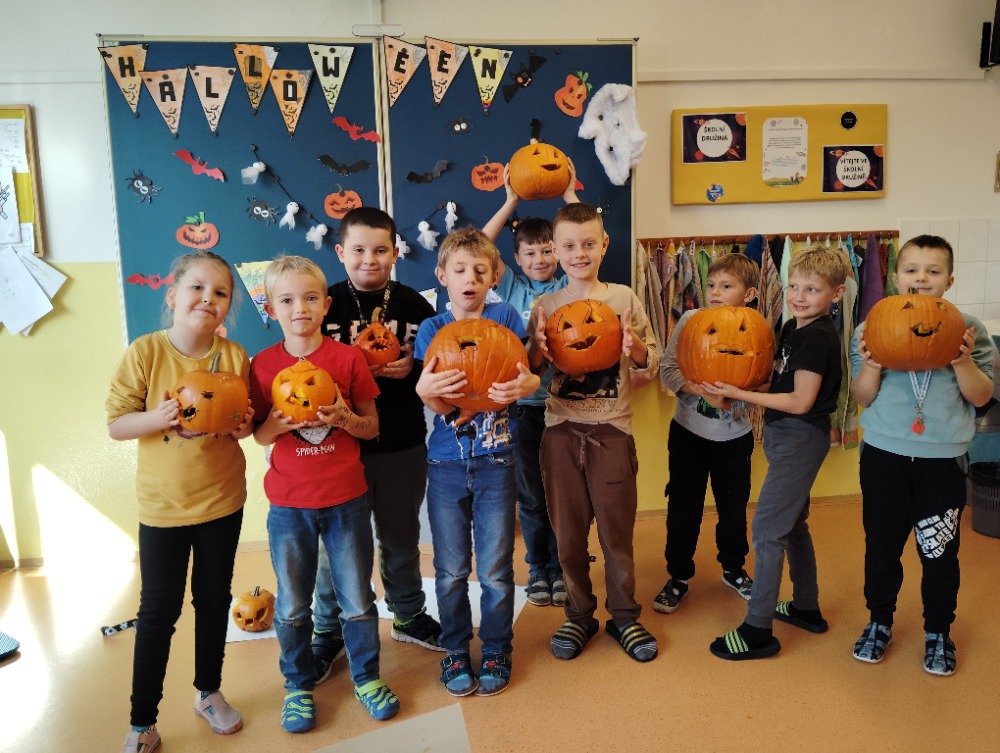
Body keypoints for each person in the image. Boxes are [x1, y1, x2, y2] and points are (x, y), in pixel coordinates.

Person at [107, 250, 253, 753]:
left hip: (222, 500)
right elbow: (116, 424)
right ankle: (142, 720)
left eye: (220, 293)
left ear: (228, 306)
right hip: (163, 507)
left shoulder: (233, 357)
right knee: (158, 611)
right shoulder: (146, 352)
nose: (208, 298)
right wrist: (161, 418)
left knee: (213, 601)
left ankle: (208, 692)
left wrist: (241, 425)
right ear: (172, 295)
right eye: (197, 287)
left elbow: (244, 426)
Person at [248, 256, 399, 732]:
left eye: (310, 298)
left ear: (326, 304)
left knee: (357, 599)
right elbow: (258, 434)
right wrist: (277, 424)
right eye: (287, 300)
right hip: (288, 504)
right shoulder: (262, 365)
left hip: (346, 499)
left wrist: (343, 418)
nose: (300, 308)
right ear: (271, 308)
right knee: (293, 604)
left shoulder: (348, 359)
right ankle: (298, 686)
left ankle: (367, 677)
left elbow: (372, 426)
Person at [849, 234, 993, 676]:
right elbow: (861, 397)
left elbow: (982, 397)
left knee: (939, 552)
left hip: (943, 464)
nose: (921, 278)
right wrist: (872, 365)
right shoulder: (872, 326)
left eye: (933, 271)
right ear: (896, 276)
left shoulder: (968, 328)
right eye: (911, 269)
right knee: (881, 548)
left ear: (949, 280)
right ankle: (879, 621)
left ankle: (938, 631)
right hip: (883, 458)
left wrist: (961, 360)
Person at [310, 208, 442, 684]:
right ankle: (327, 630)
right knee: (335, 546)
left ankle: (407, 614)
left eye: (381, 250)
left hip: (401, 441)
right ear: (340, 252)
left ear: (396, 252)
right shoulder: (323, 304)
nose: (370, 259)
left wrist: (414, 369)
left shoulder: (414, 305)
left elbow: (441, 363)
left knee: (401, 536)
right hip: (337, 446)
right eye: (359, 250)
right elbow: (301, 366)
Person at [527, 203, 660, 663]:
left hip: (612, 431)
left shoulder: (624, 299)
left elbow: (650, 368)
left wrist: (635, 348)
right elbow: (534, 374)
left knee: (616, 533)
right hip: (560, 432)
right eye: (569, 246)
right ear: (555, 250)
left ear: (604, 244)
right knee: (567, 536)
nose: (579, 253)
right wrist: (535, 349)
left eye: (588, 243)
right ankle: (579, 614)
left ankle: (624, 615)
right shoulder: (545, 306)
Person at [702, 243, 847, 660]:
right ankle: (805, 607)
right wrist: (738, 390)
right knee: (793, 523)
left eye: (812, 290)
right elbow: (781, 385)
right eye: (794, 287)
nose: (799, 297)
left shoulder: (817, 337)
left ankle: (758, 629)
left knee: (767, 531)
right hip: (787, 437)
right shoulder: (794, 329)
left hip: (801, 438)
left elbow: (801, 401)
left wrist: (741, 393)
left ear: (836, 294)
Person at [414, 227, 540, 697]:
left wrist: (529, 385)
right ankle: (453, 648)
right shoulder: (432, 330)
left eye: (480, 271)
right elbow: (436, 399)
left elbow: (525, 373)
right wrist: (426, 394)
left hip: (498, 461)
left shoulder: (505, 317)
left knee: (495, 568)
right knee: (449, 570)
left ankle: (495, 647)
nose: (470, 279)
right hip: (445, 465)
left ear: (494, 278)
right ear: (442, 275)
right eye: (460, 270)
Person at [481, 168, 578, 607]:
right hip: (521, 408)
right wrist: (511, 200)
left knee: (563, 493)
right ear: (516, 260)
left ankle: (562, 566)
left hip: (564, 404)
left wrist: (570, 193)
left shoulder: (568, 284)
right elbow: (480, 245)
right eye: (530, 252)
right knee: (532, 495)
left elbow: (588, 238)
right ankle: (539, 567)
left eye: (547, 249)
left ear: (559, 251)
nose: (540, 258)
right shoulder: (511, 288)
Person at [655, 253, 761, 614]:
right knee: (683, 507)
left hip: (735, 437)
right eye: (712, 284)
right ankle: (678, 575)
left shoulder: (756, 327)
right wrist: (700, 391)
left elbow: (761, 378)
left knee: (733, 507)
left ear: (748, 294)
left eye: (726, 286)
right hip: (688, 434)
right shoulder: (691, 320)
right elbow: (668, 369)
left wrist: (733, 396)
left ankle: (734, 569)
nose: (715, 292)